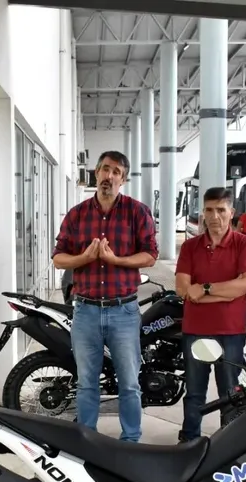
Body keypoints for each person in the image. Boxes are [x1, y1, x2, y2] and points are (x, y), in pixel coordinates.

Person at [52, 151, 158, 441]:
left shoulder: (137, 212)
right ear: (95, 173)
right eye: (104, 170)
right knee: (87, 383)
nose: (109, 176)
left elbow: (150, 255)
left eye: (116, 172)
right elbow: (58, 258)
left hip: (123, 311)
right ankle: (87, 440)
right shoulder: (77, 214)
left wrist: (116, 260)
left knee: (129, 383)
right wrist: (84, 257)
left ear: (123, 179)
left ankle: (131, 442)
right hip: (85, 311)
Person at [175, 187, 246, 441]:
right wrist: (226, 293)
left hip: (230, 332)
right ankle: (189, 440)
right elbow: (182, 289)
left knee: (230, 392)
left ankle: (229, 441)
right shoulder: (190, 247)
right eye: (209, 210)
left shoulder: (245, 244)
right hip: (196, 331)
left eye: (221, 210)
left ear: (232, 213)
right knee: (195, 392)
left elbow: (245, 285)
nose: (214, 216)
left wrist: (205, 289)